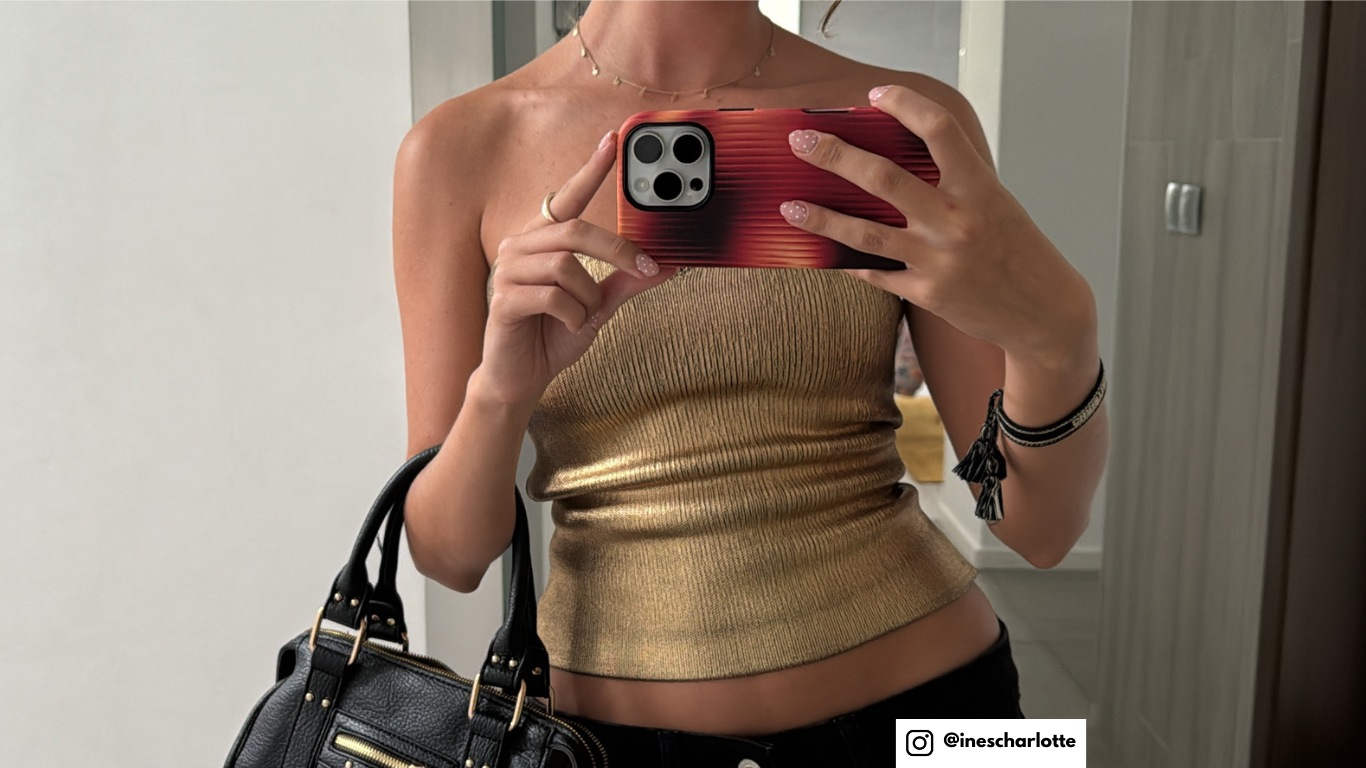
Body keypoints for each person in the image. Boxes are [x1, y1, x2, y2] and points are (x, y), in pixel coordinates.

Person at [392, 1, 1109, 765]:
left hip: (947, 716)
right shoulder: (457, 146)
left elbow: (1038, 531)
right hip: (604, 743)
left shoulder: (907, 118)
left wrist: (1061, 339)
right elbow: (449, 559)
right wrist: (500, 394)